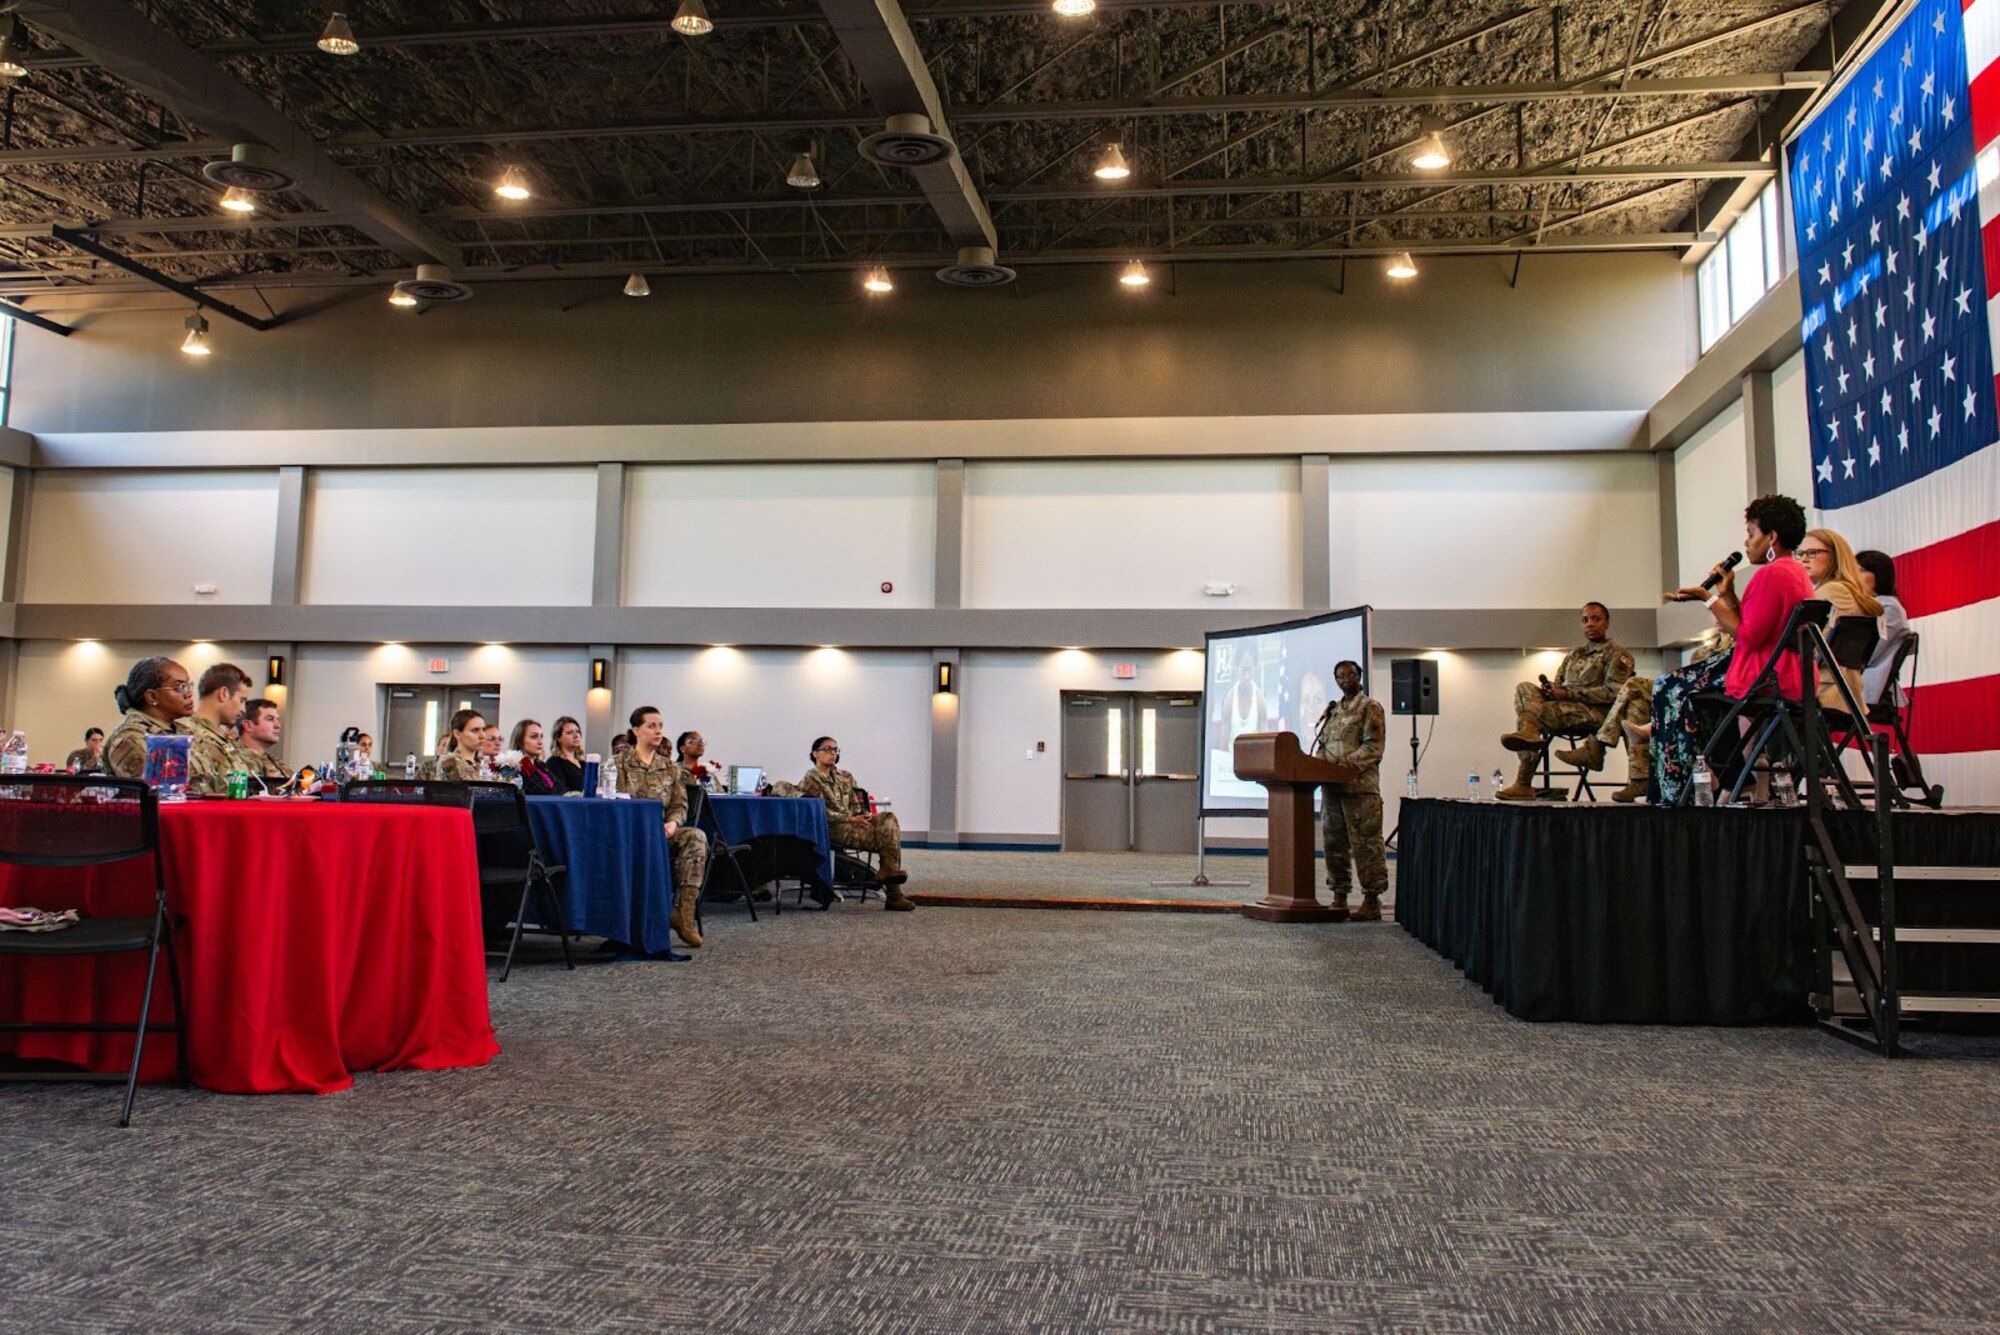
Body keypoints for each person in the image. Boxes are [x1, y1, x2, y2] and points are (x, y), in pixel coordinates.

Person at [1659, 492, 1814, 804]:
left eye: (1751, 534)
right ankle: (1731, 772)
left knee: (1670, 687)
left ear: (1771, 537)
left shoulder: (1771, 574)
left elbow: (1748, 637)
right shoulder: (1796, 572)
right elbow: (1756, 625)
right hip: (1789, 674)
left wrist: (1708, 599)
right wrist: (1726, 596)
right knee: (1694, 690)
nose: (1746, 543)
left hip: (1765, 677)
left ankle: (1681, 787)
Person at [1495, 603, 1634, 801]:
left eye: (1596, 619)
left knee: (1536, 715)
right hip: (1565, 708)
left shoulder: (1618, 655)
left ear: (1607, 623)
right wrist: (1551, 691)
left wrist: (1568, 694)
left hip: (1597, 714)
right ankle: (1529, 731)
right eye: (1585, 620)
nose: (1590, 624)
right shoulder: (1574, 654)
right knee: (1525, 688)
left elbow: (1614, 693)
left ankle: (1523, 781)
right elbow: (1559, 685)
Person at [615, 706, 708, 947]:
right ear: (636, 730)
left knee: (696, 837)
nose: (658, 731)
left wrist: (673, 823)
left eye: (660, 726)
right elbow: (612, 800)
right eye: (651, 726)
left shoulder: (670, 767)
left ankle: (684, 914)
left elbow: (680, 804)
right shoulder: (619, 764)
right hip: (630, 834)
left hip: (661, 832)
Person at [801, 737, 916, 911]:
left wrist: (862, 816)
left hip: (852, 821)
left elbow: (856, 803)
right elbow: (818, 811)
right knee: (886, 839)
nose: (832, 753)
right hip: (832, 827)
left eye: (835, 749)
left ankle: (889, 872)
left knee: (888, 819)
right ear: (815, 753)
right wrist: (849, 818)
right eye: (827, 749)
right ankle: (893, 893)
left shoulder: (845, 776)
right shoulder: (811, 779)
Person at [1312, 660, 1387, 921]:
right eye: (1340, 676)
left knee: (1366, 844)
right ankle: (1339, 895)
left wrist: (1342, 766)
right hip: (1332, 791)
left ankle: (1371, 899)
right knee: (1334, 843)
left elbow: (1373, 748)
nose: (1345, 680)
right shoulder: (1333, 711)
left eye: (1350, 675)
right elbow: (1322, 746)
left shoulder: (1370, 707)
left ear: (1359, 677)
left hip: (1360, 790)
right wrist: (1319, 766)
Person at [1799, 528, 1882, 715]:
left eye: (1812, 553)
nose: (1803, 559)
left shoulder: (1833, 591)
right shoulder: (1845, 589)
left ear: (1835, 556)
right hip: (1842, 690)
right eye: (1801, 553)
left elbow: (1811, 647)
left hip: (1825, 690)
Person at [105, 656, 195, 779]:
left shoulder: (184, 732)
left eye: (188, 686)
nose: (189, 694)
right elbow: (160, 786)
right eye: (179, 687)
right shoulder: (131, 738)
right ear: (152, 696)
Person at [186, 662, 255, 794]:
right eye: (242, 700)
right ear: (223, 693)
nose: (243, 710)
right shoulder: (191, 737)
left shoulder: (222, 739)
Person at [1856, 549, 1908, 708]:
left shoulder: (1888, 607)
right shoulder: (1871, 605)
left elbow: (1868, 654)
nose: (1854, 577)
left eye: (1861, 571)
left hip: (1867, 686)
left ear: (1879, 574)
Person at [235, 697, 290, 784]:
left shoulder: (278, 764)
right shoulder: (231, 759)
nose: (278, 725)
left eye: (277, 720)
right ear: (248, 725)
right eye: (270, 719)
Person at [510, 719, 562, 796]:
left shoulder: (541, 765)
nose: (540, 742)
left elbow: (561, 788)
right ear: (520, 740)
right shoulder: (515, 767)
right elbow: (538, 792)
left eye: (541, 736)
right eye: (534, 737)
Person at [434, 709, 486, 781]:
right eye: (475, 730)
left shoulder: (481, 764)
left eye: (483, 729)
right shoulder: (450, 762)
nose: (482, 736)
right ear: (458, 734)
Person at [545, 715, 587, 794]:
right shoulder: (554, 762)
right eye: (570, 732)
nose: (576, 735)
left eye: (577, 731)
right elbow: (561, 791)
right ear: (558, 738)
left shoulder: (584, 763)